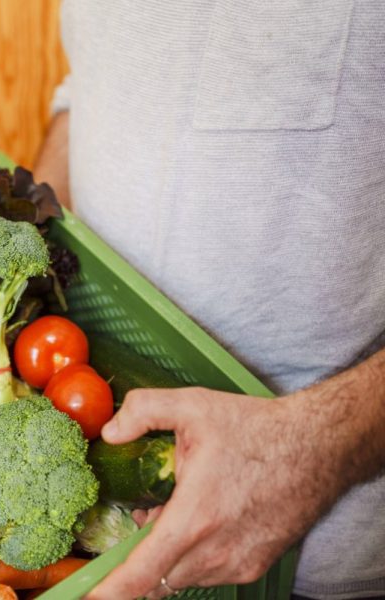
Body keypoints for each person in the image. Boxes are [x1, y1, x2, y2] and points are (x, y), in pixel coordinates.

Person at [33, 2, 385, 599]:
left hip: (325, 553)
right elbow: (86, 87)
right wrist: (21, 242)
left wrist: (311, 449)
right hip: (106, 483)